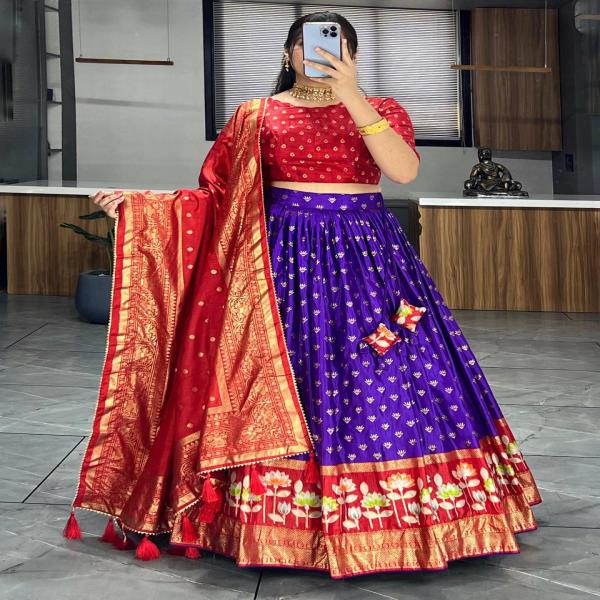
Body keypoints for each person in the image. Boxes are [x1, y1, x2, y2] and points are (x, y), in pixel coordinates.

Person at [65, 11, 542, 578]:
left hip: (367, 261)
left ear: (353, 56)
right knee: (279, 374)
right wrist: (141, 207)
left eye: (337, 47)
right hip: (278, 266)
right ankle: (261, 520)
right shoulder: (256, 115)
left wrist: (351, 94)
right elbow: (218, 198)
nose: (319, 55)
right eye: (308, 45)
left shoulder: (382, 108)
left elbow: (403, 172)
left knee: (380, 371)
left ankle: (407, 518)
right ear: (289, 54)